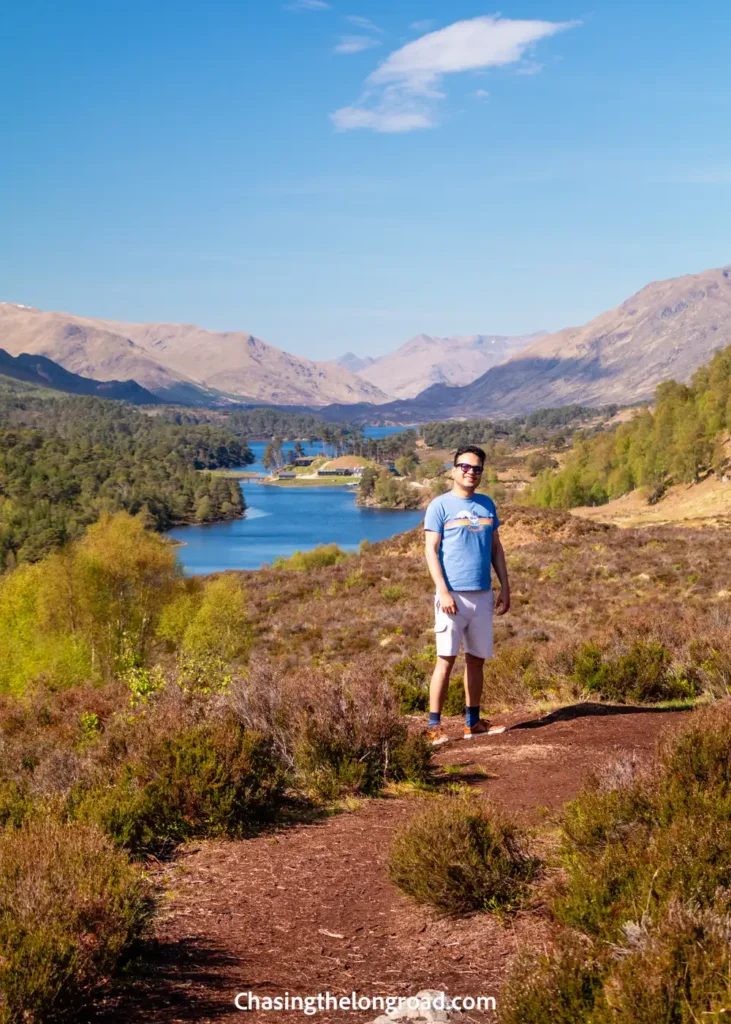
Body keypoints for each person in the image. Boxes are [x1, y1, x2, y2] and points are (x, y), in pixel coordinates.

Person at [423, 445, 510, 744]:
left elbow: (496, 550)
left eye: (477, 469)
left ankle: (473, 723)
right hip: (452, 598)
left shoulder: (487, 505)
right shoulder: (439, 506)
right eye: (465, 467)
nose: (470, 472)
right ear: (453, 469)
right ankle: (433, 726)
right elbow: (430, 551)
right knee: (445, 660)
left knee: (476, 660)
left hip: (483, 595)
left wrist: (505, 587)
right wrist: (442, 591)